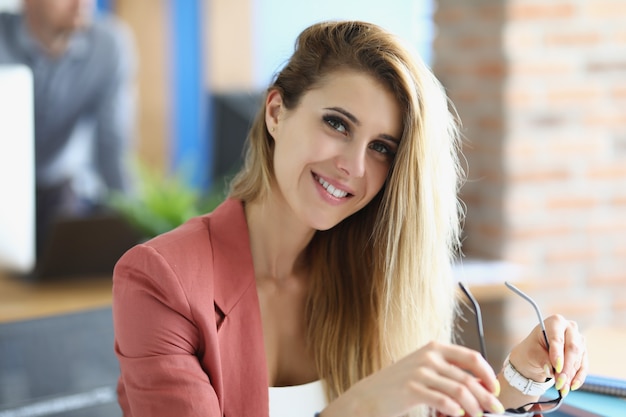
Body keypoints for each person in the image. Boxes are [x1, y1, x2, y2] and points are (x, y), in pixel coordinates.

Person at [112, 21, 587, 417]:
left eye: (382, 148)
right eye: (337, 124)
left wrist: (522, 374)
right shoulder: (162, 280)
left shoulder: (368, 267)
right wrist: (361, 406)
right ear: (276, 112)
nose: (354, 167)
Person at [0, 0, 136, 255]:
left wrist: (135, 229)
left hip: (60, 190)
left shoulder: (109, 46)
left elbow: (113, 146)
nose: (81, 3)